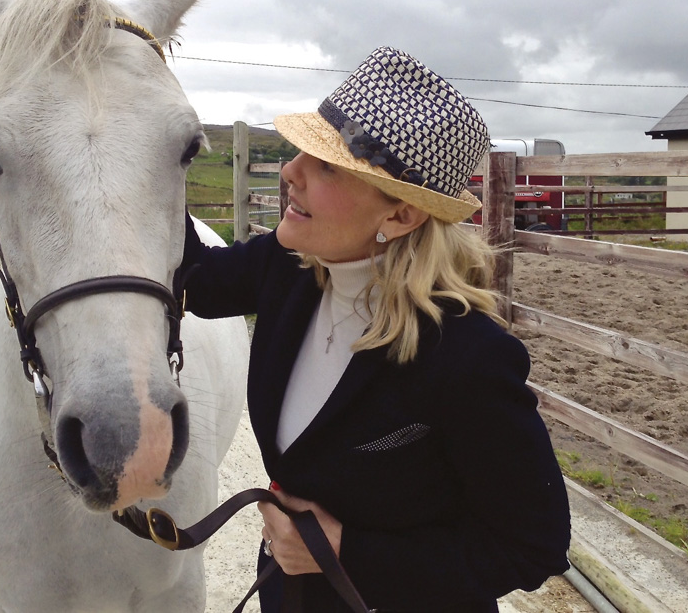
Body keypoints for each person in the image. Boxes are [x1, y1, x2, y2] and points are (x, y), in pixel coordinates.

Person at [180, 47, 571, 612]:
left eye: (327, 167)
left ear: (401, 216)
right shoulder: (286, 271)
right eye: (300, 155)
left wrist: (345, 551)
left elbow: (533, 546)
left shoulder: (467, 358)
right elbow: (190, 276)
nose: (290, 172)